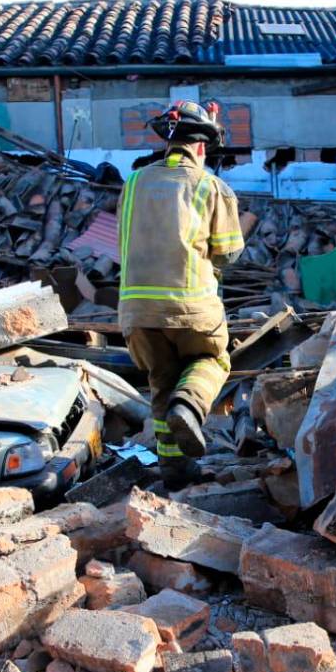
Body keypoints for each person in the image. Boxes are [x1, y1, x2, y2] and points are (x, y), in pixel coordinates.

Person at [116, 101, 244, 487]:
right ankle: (190, 406)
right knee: (213, 358)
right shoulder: (209, 186)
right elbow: (230, 251)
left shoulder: (134, 183)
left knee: (162, 382)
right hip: (191, 308)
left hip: (136, 312)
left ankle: (173, 471)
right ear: (202, 147)